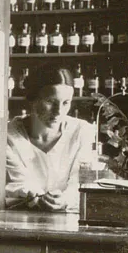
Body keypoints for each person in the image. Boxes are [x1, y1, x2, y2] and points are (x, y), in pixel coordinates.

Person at [6, 65, 97, 212]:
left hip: (69, 216)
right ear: (33, 99)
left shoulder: (81, 131)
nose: (58, 111)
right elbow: (18, 182)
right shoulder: (9, 135)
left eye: (66, 103)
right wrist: (37, 197)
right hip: (23, 217)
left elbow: (81, 181)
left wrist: (65, 200)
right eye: (50, 102)